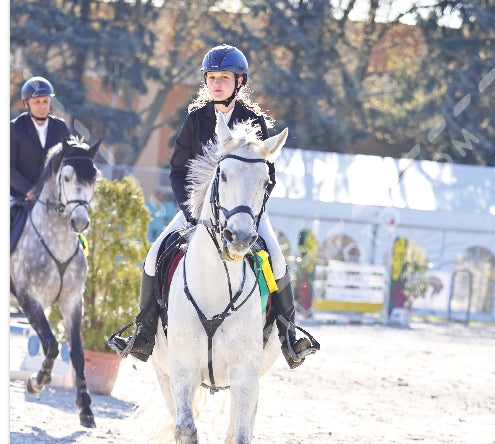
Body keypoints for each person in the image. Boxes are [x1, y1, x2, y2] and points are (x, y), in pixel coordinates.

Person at [111, 44, 319, 369]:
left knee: (277, 261)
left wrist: (252, 213)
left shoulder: (253, 121)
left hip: (246, 214)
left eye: (224, 77)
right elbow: (177, 171)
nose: (216, 83)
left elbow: (268, 175)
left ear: (239, 82)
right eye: (211, 77)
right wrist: (191, 213)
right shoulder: (196, 120)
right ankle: (144, 333)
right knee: (154, 255)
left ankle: (289, 336)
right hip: (198, 210)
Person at [11, 76, 71, 248]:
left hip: (52, 197)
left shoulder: (61, 128)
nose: (42, 106)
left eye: (45, 101)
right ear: (26, 103)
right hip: (18, 195)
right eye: (37, 102)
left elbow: (69, 160)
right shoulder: (14, 128)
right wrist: (29, 190)